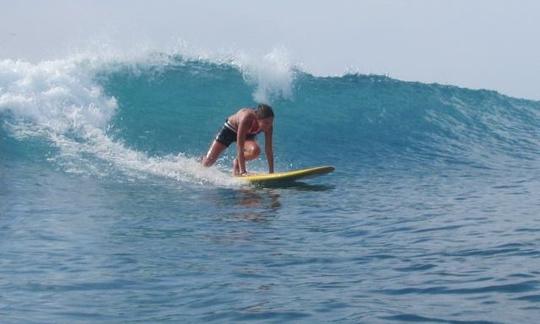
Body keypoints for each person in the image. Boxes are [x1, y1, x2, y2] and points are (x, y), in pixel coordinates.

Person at [202, 104, 274, 176]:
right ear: (257, 118)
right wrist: (243, 172)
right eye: (266, 123)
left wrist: (271, 173)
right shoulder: (246, 118)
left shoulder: (268, 127)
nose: (268, 126)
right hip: (229, 130)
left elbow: (269, 149)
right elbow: (240, 147)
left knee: (255, 150)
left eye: (271, 123)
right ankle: (202, 161)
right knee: (208, 163)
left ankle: (237, 162)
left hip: (247, 134)